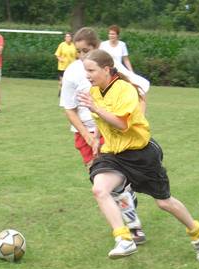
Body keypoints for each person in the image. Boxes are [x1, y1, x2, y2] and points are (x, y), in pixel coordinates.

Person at [77, 49, 199, 261]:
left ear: (106, 69)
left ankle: (198, 233)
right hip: (114, 155)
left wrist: (96, 108)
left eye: (91, 70)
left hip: (141, 155)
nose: (87, 75)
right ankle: (124, 239)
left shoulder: (125, 90)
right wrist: (95, 137)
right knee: (100, 190)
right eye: (86, 71)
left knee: (164, 202)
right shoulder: (94, 92)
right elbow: (101, 121)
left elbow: (121, 124)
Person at [60, 27, 146, 245]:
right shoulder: (71, 73)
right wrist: (87, 136)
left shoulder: (108, 68)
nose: (81, 56)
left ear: (96, 47)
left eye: (85, 50)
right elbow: (69, 109)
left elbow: (141, 89)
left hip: (107, 131)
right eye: (78, 51)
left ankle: (133, 228)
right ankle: (125, 220)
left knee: (111, 186)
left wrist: (134, 118)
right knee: (100, 183)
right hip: (83, 134)